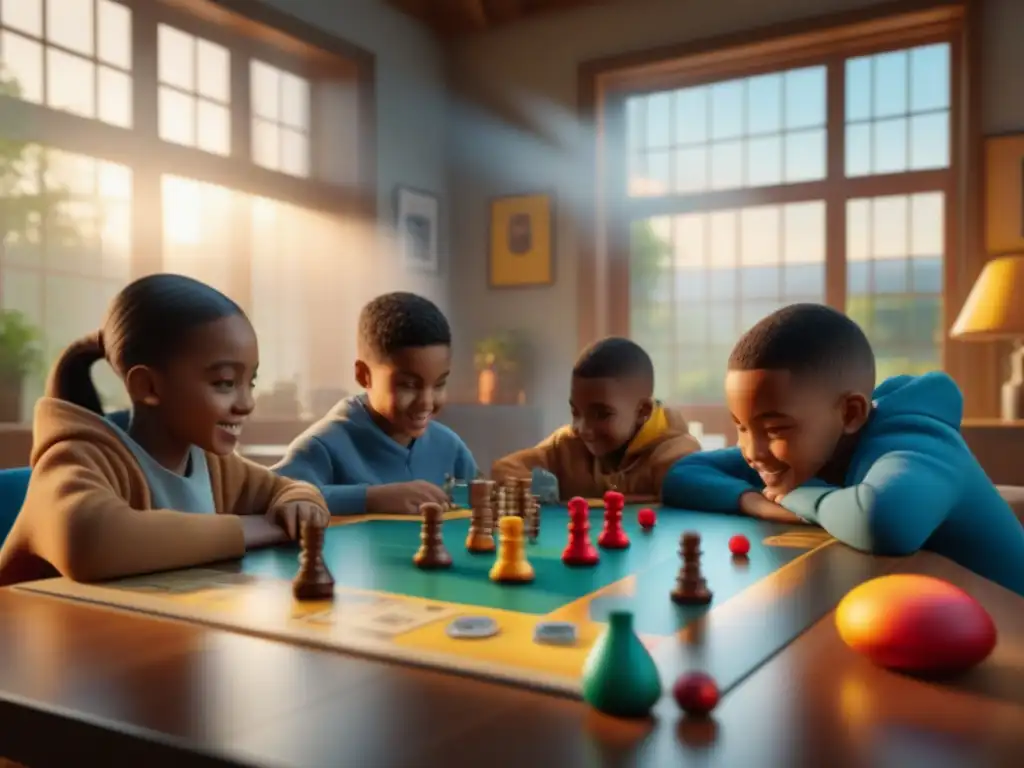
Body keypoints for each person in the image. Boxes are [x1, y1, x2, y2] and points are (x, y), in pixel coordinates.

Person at [662, 303, 1024, 596]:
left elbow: (882, 522)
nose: (752, 450)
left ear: (850, 413)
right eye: (740, 426)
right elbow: (683, 474)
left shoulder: (916, 444)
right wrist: (757, 502)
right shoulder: (804, 450)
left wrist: (798, 499)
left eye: (774, 429)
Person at [0, 274, 329, 587]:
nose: (246, 403)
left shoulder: (211, 464)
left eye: (250, 382)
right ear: (148, 386)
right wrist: (265, 528)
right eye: (225, 383)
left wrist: (300, 506)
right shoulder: (73, 459)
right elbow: (90, 541)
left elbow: (288, 489)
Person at [274, 292, 476, 515]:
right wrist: (371, 498)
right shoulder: (322, 446)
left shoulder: (450, 447)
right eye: (409, 385)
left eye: (439, 385)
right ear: (364, 375)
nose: (426, 402)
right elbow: (274, 495)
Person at [491, 337, 700, 500]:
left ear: (642, 411)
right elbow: (505, 468)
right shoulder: (566, 445)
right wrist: (535, 490)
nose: (583, 428)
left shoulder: (676, 456)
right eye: (576, 413)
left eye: (602, 415)